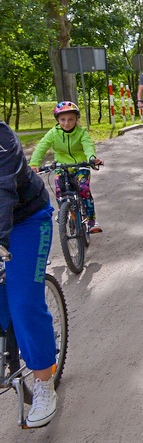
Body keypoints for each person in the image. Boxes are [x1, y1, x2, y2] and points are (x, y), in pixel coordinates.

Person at [0, 120, 61, 427]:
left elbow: (3, 191)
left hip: (26, 220)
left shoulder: (2, 139)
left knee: (23, 302)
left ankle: (43, 383)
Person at [28, 101, 104, 233]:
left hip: (81, 166)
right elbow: (41, 147)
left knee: (84, 189)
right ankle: (64, 212)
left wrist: (91, 159)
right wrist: (34, 163)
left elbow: (88, 146)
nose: (66, 123)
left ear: (76, 119)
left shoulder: (81, 133)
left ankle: (91, 220)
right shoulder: (53, 133)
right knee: (59, 188)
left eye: (71, 119)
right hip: (62, 167)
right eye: (63, 119)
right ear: (57, 120)